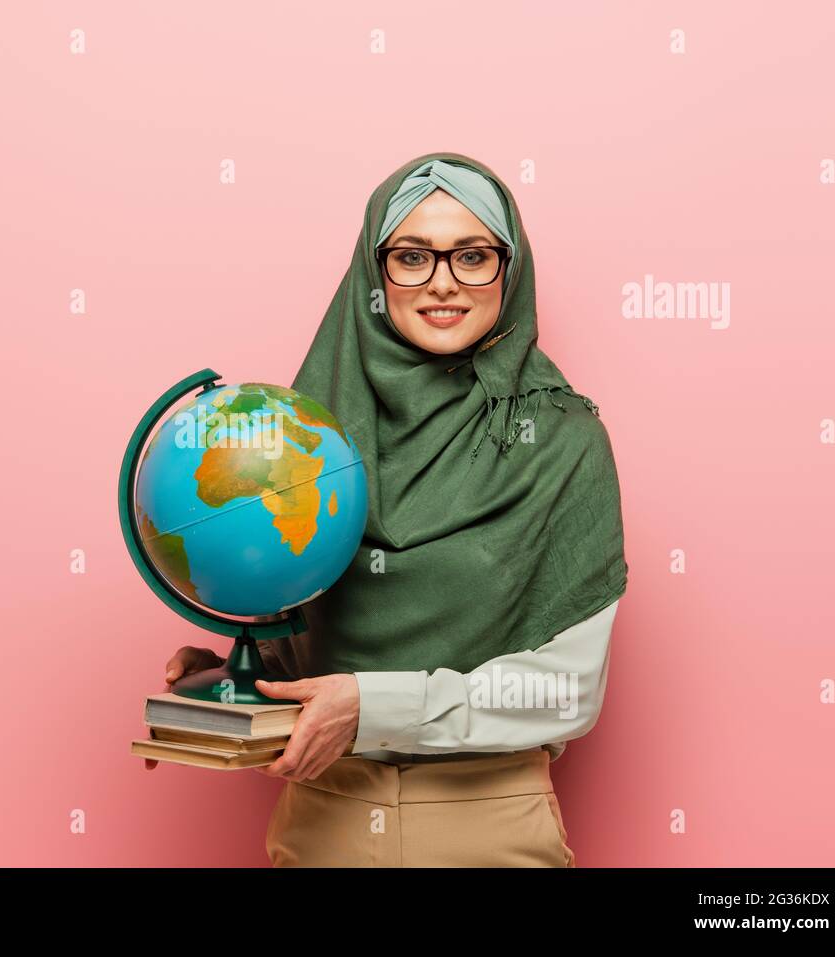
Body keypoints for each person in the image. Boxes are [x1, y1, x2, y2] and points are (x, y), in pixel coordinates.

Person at [152, 152, 628, 867]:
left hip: (490, 830)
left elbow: (569, 692)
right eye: (411, 256)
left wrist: (370, 708)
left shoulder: (561, 441)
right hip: (322, 824)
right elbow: (311, 642)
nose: (442, 282)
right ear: (375, 274)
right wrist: (236, 679)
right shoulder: (311, 444)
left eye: (472, 255)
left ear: (510, 268)